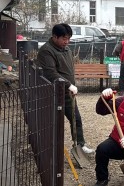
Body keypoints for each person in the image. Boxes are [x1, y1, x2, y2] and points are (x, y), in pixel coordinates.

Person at [37, 23, 94, 153]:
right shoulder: (47, 51)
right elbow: (50, 73)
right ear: (54, 37)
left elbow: (67, 69)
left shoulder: (67, 49)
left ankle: (80, 144)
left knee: (76, 118)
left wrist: (70, 86)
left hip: (68, 93)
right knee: (53, 122)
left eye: (68, 38)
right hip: (53, 93)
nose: (67, 42)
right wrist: (69, 84)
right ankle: (50, 147)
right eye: (64, 39)